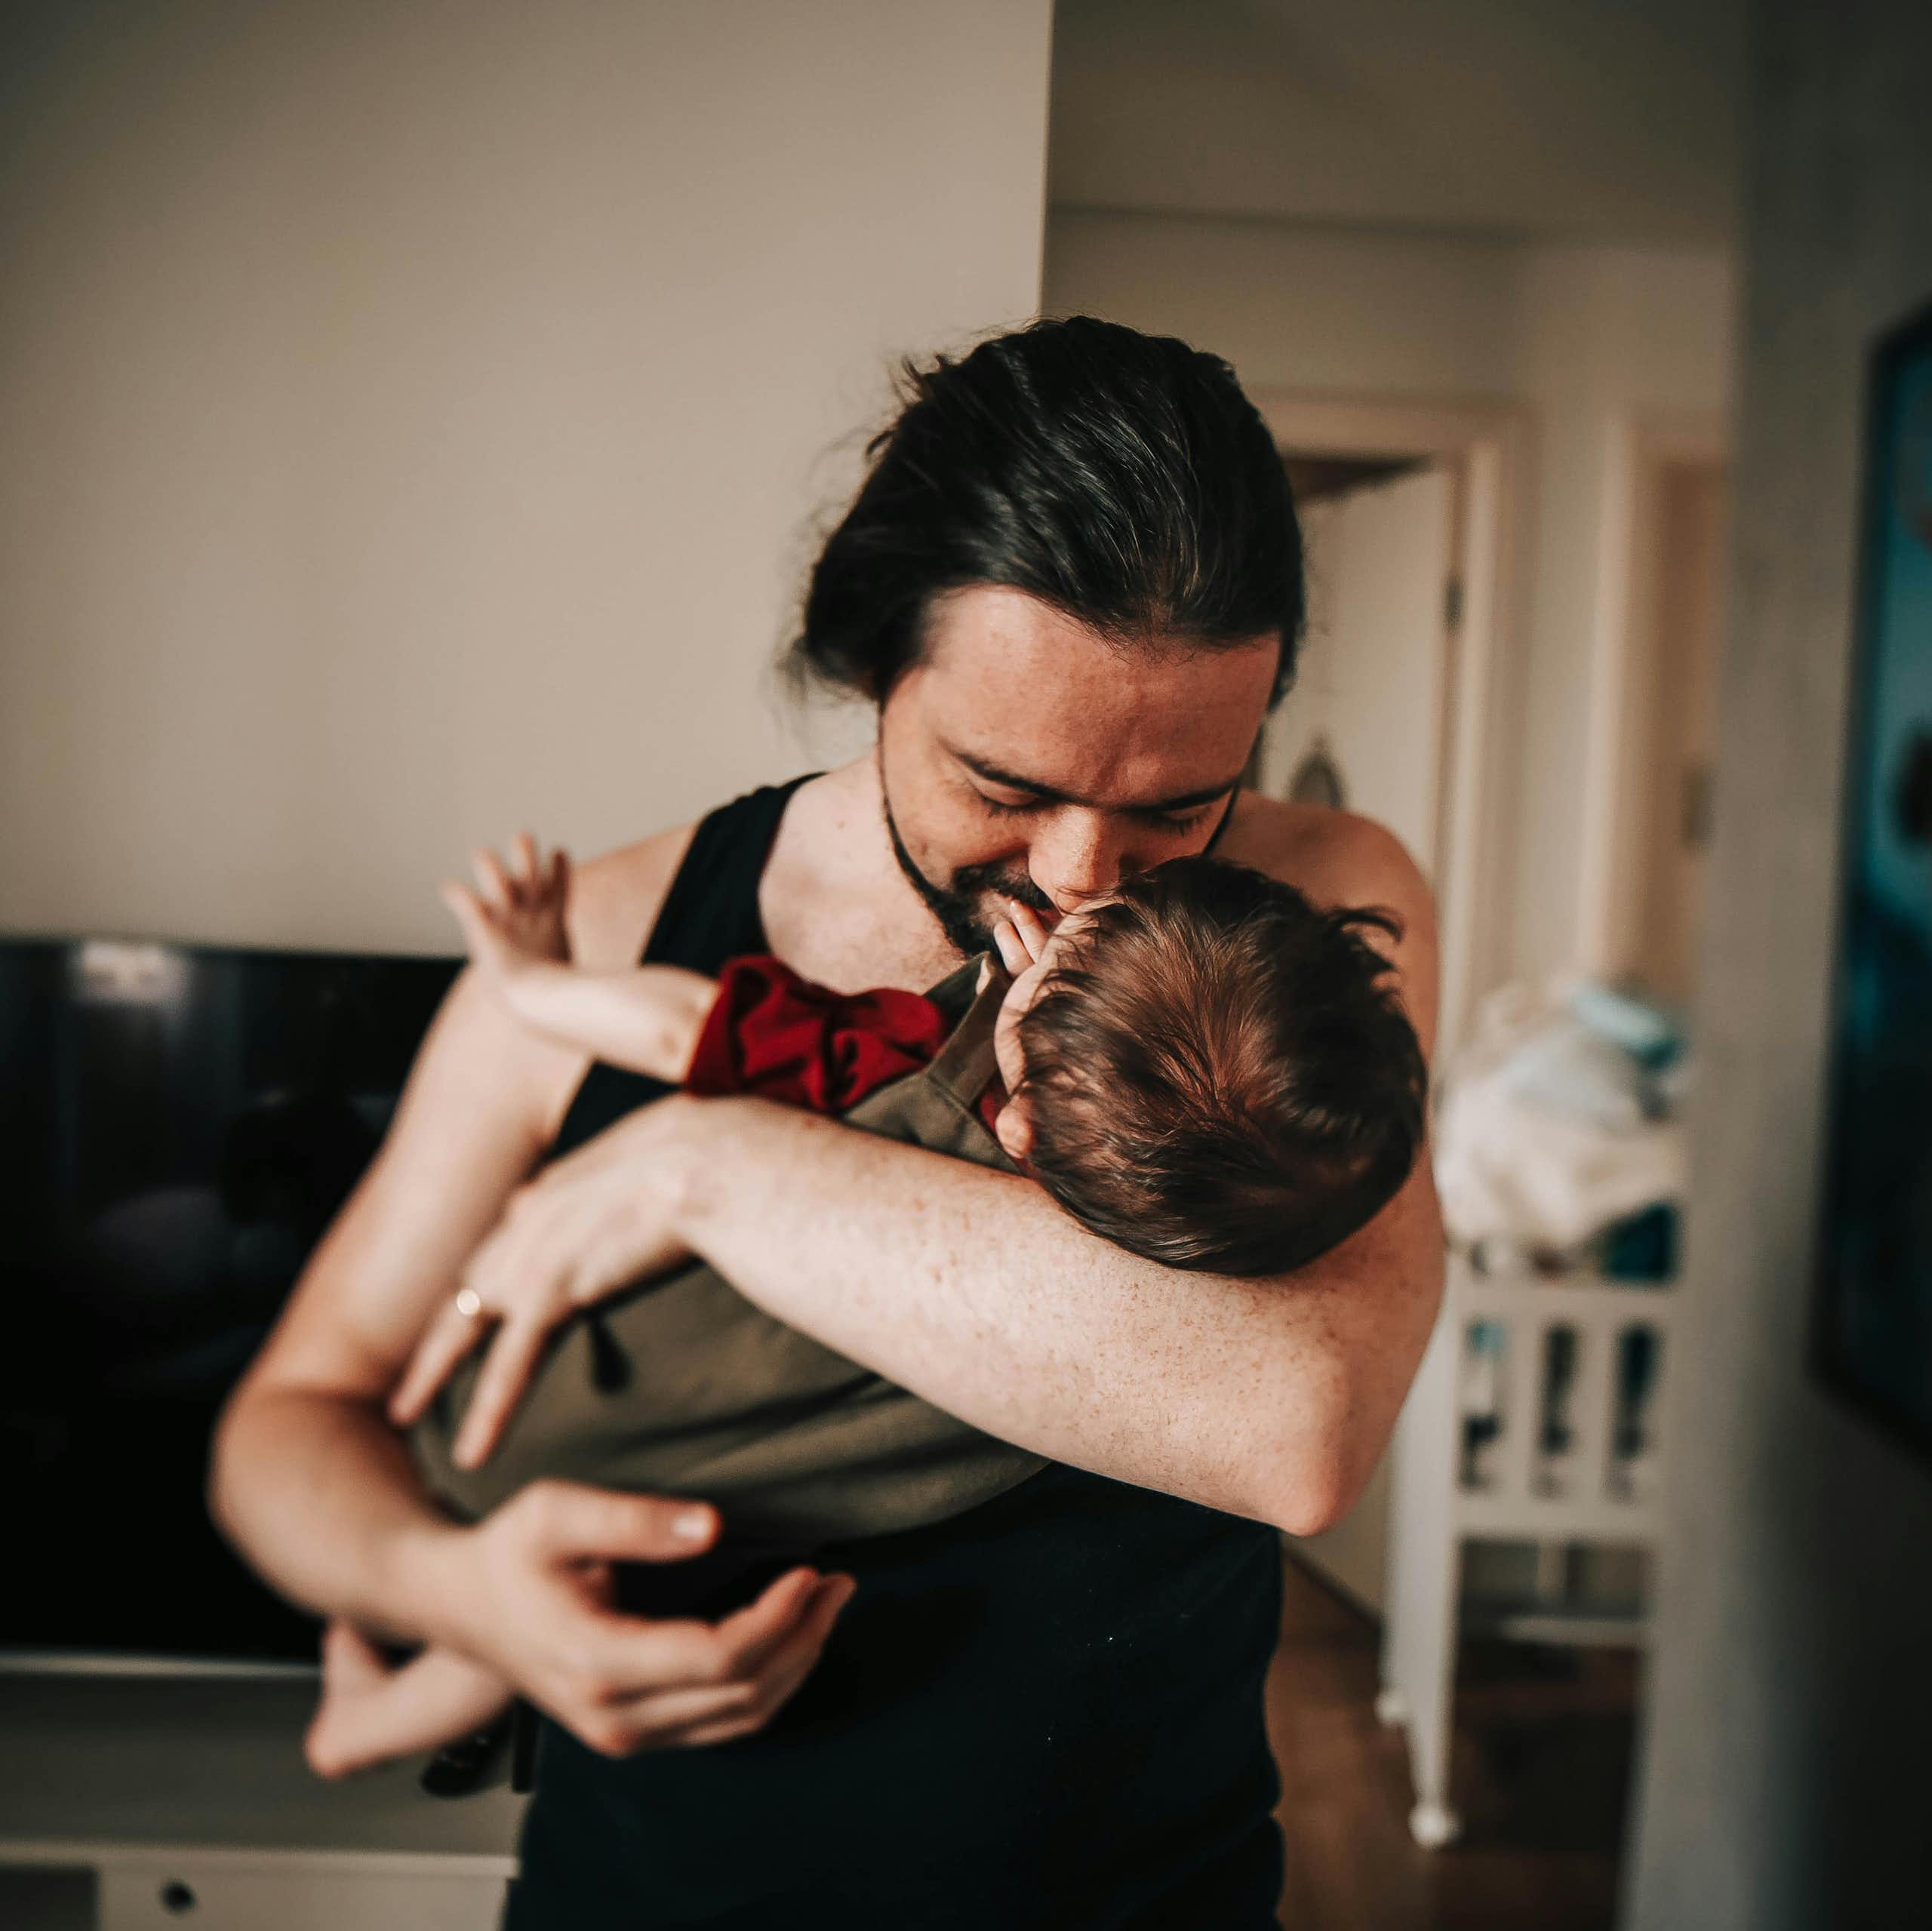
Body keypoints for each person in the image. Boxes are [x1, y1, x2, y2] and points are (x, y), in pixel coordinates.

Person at [208, 314, 1445, 1927]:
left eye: (1172, 805)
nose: (1082, 875)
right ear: (874, 661)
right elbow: (283, 1431)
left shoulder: (1317, 912)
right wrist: (460, 1597)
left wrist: (714, 1164)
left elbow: (1294, 1424)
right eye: (1002, 782)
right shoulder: (602, 932)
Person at [301, 833, 1427, 1779]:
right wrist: (1058, 1014)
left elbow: (688, 1029)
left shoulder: (902, 1065)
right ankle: (399, 1715)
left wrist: (540, 982)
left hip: (534, 1415)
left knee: (586, 1559)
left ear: (1019, 1122)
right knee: (641, 1578)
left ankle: (381, 1714)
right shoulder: (1154, 1282)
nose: (1073, 882)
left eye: (1087, 936)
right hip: (681, 1512)